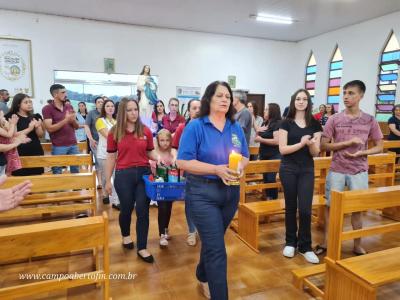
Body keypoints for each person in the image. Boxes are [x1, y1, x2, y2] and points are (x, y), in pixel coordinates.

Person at [177, 81, 249, 300]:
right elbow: (182, 162)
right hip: (202, 193)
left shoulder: (234, 126)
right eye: (220, 96)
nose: (225, 99)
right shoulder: (196, 126)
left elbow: (245, 155)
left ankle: (202, 273)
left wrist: (239, 168)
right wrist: (216, 169)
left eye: (228, 96)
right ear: (209, 99)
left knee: (213, 240)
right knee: (218, 250)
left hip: (229, 193)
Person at [317, 80, 383, 256]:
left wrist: (363, 153)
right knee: (331, 207)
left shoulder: (370, 120)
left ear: (361, 95)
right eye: (345, 92)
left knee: (357, 208)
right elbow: (323, 146)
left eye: (351, 93)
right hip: (337, 169)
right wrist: (346, 143)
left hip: (359, 170)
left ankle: (357, 244)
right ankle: (327, 241)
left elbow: (379, 146)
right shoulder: (334, 119)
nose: (346, 96)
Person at [105, 97, 159, 264]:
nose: (133, 113)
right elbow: (111, 157)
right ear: (123, 112)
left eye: (135, 109)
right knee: (126, 209)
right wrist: (107, 181)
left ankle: (142, 247)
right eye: (129, 110)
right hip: (123, 175)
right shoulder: (114, 132)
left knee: (143, 211)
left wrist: (160, 158)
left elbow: (150, 152)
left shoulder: (146, 131)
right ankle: (126, 235)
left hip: (144, 174)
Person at [278, 89, 322, 264]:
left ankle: (305, 246)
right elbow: (283, 150)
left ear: (308, 102)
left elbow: (315, 152)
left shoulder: (315, 124)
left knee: (305, 209)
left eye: (304, 99)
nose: (301, 101)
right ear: (293, 101)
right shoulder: (285, 123)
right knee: (290, 207)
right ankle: (290, 242)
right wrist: (302, 143)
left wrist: (310, 145)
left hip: (306, 170)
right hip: (288, 168)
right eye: (298, 98)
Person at [172, 98, 201, 246]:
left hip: (205, 170)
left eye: (199, 108)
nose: (197, 110)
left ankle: (202, 229)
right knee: (190, 202)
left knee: (203, 203)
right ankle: (191, 231)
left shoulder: (207, 127)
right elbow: (174, 147)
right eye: (194, 108)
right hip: (189, 171)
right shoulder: (182, 128)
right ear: (188, 111)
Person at [42, 84, 80, 174]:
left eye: (66, 92)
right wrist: (66, 120)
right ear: (55, 94)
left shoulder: (69, 107)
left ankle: (76, 187)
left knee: (76, 170)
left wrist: (73, 120)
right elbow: (50, 129)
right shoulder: (47, 109)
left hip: (73, 144)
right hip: (59, 146)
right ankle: (59, 188)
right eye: (63, 92)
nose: (66, 94)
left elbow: (77, 127)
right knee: (57, 170)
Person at [5, 93, 45, 176]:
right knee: (20, 176)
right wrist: (29, 129)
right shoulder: (11, 117)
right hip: (19, 151)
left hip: (35, 150)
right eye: (26, 102)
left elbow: (41, 135)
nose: (29, 104)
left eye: (30, 102)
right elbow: (12, 135)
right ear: (18, 104)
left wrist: (37, 127)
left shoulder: (35, 116)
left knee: (37, 176)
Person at [150, 129, 177, 247]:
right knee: (162, 208)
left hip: (170, 186)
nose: (165, 143)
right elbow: (152, 167)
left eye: (167, 140)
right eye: (162, 140)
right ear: (158, 141)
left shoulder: (172, 151)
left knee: (169, 208)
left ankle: (165, 230)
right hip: (160, 186)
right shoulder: (155, 152)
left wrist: (175, 160)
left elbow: (176, 158)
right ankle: (161, 235)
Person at [95, 99, 119, 209]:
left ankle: (115, 201)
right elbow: (109, 135)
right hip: (104, 153)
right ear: (104, 108)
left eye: (112, 106)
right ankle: (105, 194)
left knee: (116, 176)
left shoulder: (116, 121)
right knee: (105, 177)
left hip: (116, 153)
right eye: (107, 106)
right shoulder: (100, 121)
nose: (110, 108)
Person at [255, 103, 282, 200]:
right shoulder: (265, 123)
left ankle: (273, 199)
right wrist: (258, 130)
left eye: (266, 109)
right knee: (265, 178)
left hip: (274, 155)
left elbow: (277, 141)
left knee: (271, 178)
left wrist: (260, 139)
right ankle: (268, 197)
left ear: (273, 111)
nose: (264, 111)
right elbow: (256, 138)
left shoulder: (278, 123)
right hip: (264, 154)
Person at [85, 96, 104, 188]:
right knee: (98, 161)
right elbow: (87, 126)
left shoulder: (106, 113)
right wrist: (90, 139)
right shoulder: (91, 114)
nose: (101, 103)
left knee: (106, 162)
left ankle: (106, 180)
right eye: (99, 102)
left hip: (106, 142)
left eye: (102, 102)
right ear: (96, 104)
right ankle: (100, 182)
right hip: (95, 141)